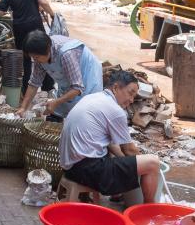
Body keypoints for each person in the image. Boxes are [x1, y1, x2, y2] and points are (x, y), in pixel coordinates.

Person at [60, 71, 161, 201]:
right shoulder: (115, 110)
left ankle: (117, 194)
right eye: (130, 93)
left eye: (134, 96)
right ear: (115, 87)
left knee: (115, 153)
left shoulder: (92, 98)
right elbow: (129, 150)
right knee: (152, 163)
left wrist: (131, 163)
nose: (131, 100)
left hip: (70, 168)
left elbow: (111, 144)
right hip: (88, 171)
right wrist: (145, 164)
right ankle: (149, 210)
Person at [17, 31, 103, 120]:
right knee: (60, 109)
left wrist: (56, 102)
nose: (35, 60)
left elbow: (77, 88)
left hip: (88, 76)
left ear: (47, 50)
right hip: (70, 80)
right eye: (33, 57)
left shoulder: (66, 54)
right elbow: (34, 84)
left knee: (84, 113)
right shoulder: (39, 55)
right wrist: (23, 108)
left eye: (36, 57)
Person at [0, 0, 55, 92]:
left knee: (25, 59)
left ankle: (24, 89)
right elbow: (43, 2)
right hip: (35, 26)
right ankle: (47, 87)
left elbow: (0, 12)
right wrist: (53, 15)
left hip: (19, 28)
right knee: (44, 53)